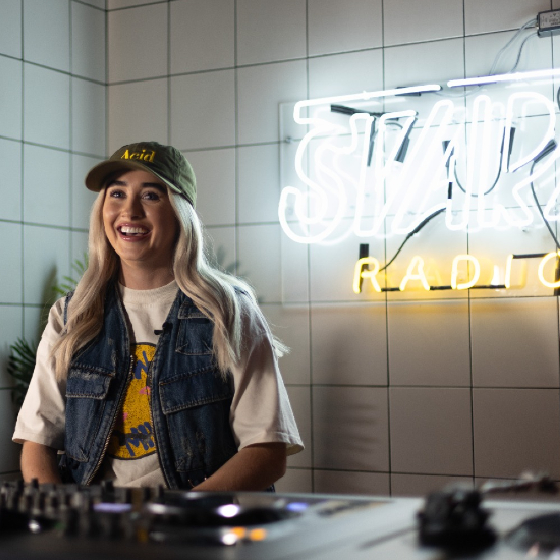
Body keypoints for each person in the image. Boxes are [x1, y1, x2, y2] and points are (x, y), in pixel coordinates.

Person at [12, 141, 303, 490]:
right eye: (117, 194)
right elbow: (37, 444)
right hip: (97, 534)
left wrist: (179, 517)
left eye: (151, 196)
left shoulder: (228, 310)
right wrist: (61, 520)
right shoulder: (72, 314)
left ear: (180, 213)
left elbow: (266, 452)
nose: (130, 211)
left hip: (198, 534)